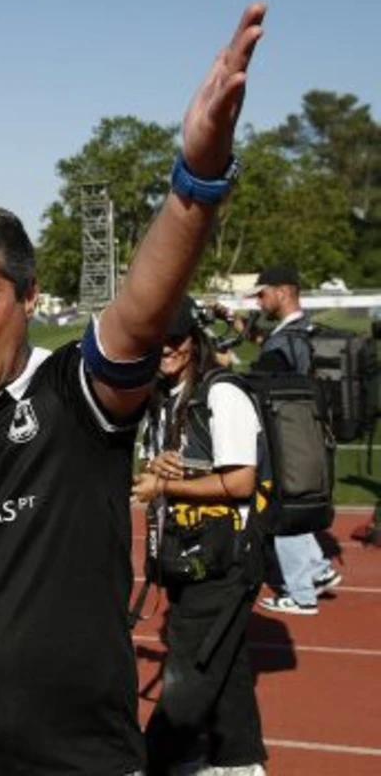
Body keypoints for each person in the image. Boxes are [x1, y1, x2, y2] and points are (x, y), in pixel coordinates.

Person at [0, 5, 266, 774]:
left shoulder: (74, 396)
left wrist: (195, 182)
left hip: (81, 761)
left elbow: (138, 314)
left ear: (27, 297)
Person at [133, 297, 267, 775]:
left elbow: (240, 482)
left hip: (225, 558)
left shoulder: (221, 394)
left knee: (189, 671)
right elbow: (181, 466)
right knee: (223, 664)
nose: (165, 349)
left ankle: (152, 762)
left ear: (193, 339)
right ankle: (240, 761)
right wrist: (167, 468)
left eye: (175, 339)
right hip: (189, 556)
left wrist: (166, 484)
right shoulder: (165, 396)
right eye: (156, 341)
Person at [239, 265, 342, 615]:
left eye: (263, 293)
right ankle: (317, 569)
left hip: (285, 434)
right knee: (298, 496)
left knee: (283, 506)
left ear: (282, 292)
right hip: (308, 429)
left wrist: (224, 362)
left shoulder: (285, 340)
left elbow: (262, 380)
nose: (260, 301)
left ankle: (301, 595)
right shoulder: (302, 331)